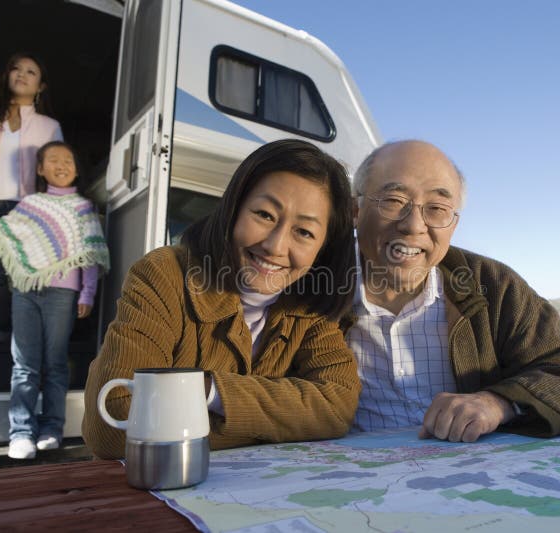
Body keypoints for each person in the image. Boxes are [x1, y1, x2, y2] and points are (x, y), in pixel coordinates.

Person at [82, 139, 360, 458]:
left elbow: (336, 408)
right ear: (233, 209)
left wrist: (209, 390)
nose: (276, 244)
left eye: (304, 232)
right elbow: (114, 422)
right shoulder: (165, 274)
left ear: (322, 248)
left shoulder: (311, 306)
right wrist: (281, 423)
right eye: (265, 214)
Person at [348, 140, 560, 443]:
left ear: (453, 224)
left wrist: (498, 403)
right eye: (393, 200)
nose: (414, 225)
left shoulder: (495, 287)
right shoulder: (310, 287)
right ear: (355, 210)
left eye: (438, 209)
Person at [0, 141, 109, 459]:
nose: (61, 165)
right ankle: (20, 433)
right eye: (53, 160)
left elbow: (90, 254)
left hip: (63, 294)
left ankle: (51, 429)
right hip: (25, 292)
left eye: (68, 160)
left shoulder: (83, 208)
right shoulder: (30, 205)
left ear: (76, 169)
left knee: (56, 364)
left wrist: (87, 293)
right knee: (24, 365)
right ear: (40, 169)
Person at [0, 52, 63, 342]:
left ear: (41, 87)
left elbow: (57, 176)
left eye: (31, 72)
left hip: (25, 215)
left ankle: (6, 333)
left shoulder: (49, 127)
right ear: (6, 76)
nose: (22, 74)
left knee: (19, 284)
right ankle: (7, 326)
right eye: (16, 69)